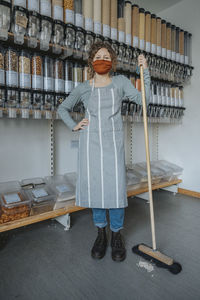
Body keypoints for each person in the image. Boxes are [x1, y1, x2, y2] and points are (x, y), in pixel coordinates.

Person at [58, 42, 150, 262]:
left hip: (113, 143)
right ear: (91, 60)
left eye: (107, 56)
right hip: (90, 145)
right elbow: (62, 108)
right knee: (96, 190)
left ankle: (116, 234)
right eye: (98, 56)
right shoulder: (84, 87)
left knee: (116, 190)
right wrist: (74, 124)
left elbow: (142, 100)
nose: (102, 59)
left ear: (112, 62)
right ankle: (101, 234)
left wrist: (144, 71)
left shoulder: (120, 82)